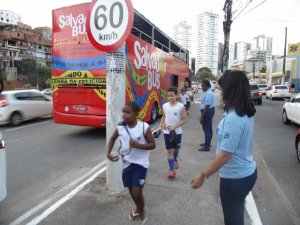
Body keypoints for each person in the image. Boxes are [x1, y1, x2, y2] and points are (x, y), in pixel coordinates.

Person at [191, 70, 257, 225]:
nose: (220, 92)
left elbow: (225, 155)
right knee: (236, 213)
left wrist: (203, 176)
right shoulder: (244, 110)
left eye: (222, 89)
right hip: (247, 172)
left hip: (235, 179)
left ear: (230, 90)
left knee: (232, 220)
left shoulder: (234, 118)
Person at [106, 101, 156, 221]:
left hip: (140, 165)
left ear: (136, 114)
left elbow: (152, 145)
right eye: (123, 112)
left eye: (127, 112)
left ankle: (141, 211)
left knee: (137, 192)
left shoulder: (144, 127)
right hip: (126, 165)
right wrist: (108, 153)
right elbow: (112, 138)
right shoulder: (121, 127)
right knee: (132, 192)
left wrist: (137, 145)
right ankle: (138, 208)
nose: (124, 114)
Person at [157, 87, 188, 179]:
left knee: (176, 149)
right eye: (169, 96)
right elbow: (164, 116)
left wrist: (174, 127)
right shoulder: (165, 106)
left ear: (177, 96)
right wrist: (160, 126)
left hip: (177, 132)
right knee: (169, 150)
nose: (170, 97)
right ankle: (171, 170)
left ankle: (175, 159)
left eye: (172, 95)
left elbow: (185, 119)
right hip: (167, 132)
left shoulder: (180, 106)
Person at [199, 79, 216, 151]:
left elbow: (207, 106)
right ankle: (207, 142)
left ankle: (207, 146)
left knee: (206, 129)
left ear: (207, 86)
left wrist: (202, 117)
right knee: (208, 128)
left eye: (203, 86)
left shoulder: (209, 93)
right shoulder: (208, 92)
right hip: (208, 111)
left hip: (207, 112)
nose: (202, 87)